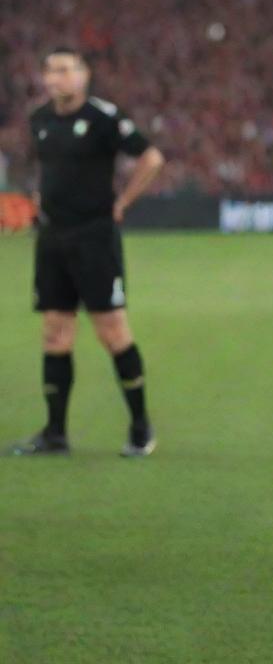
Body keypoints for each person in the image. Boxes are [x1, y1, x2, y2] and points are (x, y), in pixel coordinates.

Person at [9, 48, 165, 458]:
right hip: (52, 238)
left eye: (64, 70)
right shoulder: (40, 119)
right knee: (55, 332)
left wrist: (124, 201)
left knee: (112, 331)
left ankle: (140, 427)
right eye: (50, 70)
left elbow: (151, 157)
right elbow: (51, 169)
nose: (55, 77)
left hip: (94, 238)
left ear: (83, 76)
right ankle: (55, 433)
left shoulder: (104, 117)